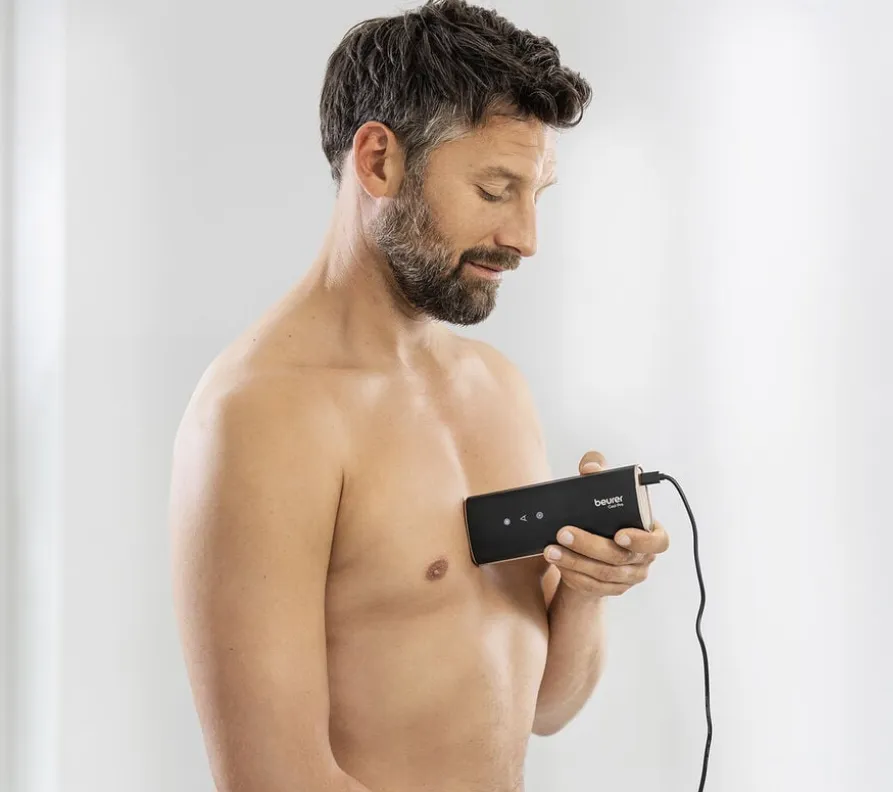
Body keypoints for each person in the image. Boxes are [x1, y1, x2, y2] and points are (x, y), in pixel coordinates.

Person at [168, 1, 669, 790]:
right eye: (495, 189)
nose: (525, 237)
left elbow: (544, 706)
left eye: (536, 194)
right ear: (378, 162)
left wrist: (584, 589)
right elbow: (274, 780)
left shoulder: (496, 388)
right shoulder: (263, 416)